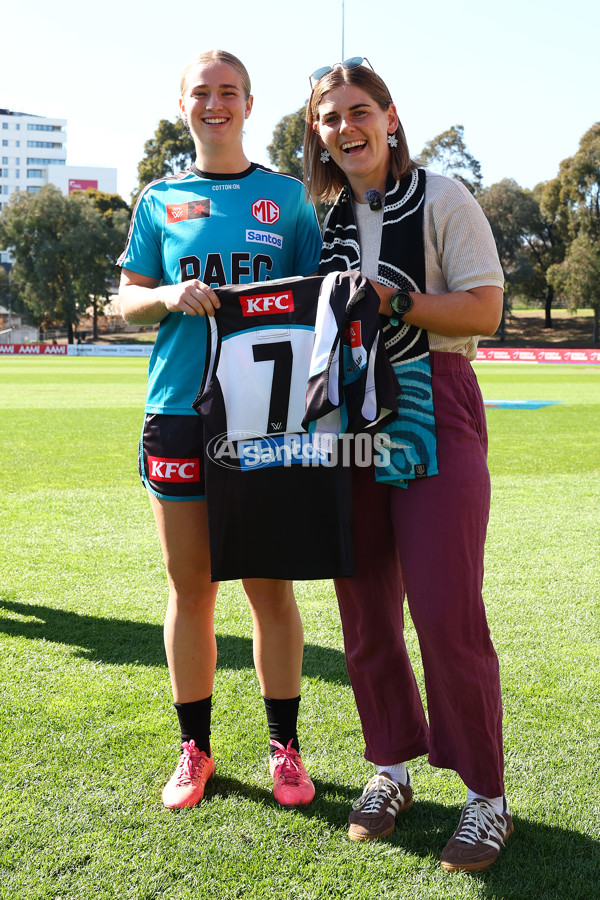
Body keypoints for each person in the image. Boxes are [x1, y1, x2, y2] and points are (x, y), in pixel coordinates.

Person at [304, 57, 512, 872]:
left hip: (434, 401)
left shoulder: (444, 196)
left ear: (390, 117)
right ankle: (389, 770)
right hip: (343, 415)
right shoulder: (316, 214)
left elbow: (484, 308)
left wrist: (393, 300)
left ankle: (485, 796)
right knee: (363, 609)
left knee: (445, 611)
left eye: (359, 111)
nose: (345, 128)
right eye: (329, 118)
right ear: (316, 133)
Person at [118, 49, 321, 810]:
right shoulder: (158, 200)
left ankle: (285, 750)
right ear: (183, 106)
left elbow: (314, 302)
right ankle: (194, 750)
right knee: (191, 586)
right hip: (177, 409)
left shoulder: (288, 198)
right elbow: (124, 301)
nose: (215, 103)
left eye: (228, 92)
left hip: (264, 414)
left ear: (249, 103)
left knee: (271, 586)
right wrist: (168, 292)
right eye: (201, 93)